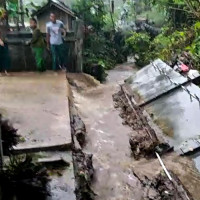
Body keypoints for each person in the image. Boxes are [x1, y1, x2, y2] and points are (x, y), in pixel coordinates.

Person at [0, 10, 10, 76]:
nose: (5, 15)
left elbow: (7, 30)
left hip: (5, 40)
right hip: (0, 40)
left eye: (6, 13)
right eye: (4, 13)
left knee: (6, 56)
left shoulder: (6, 22)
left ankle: (6, 70)